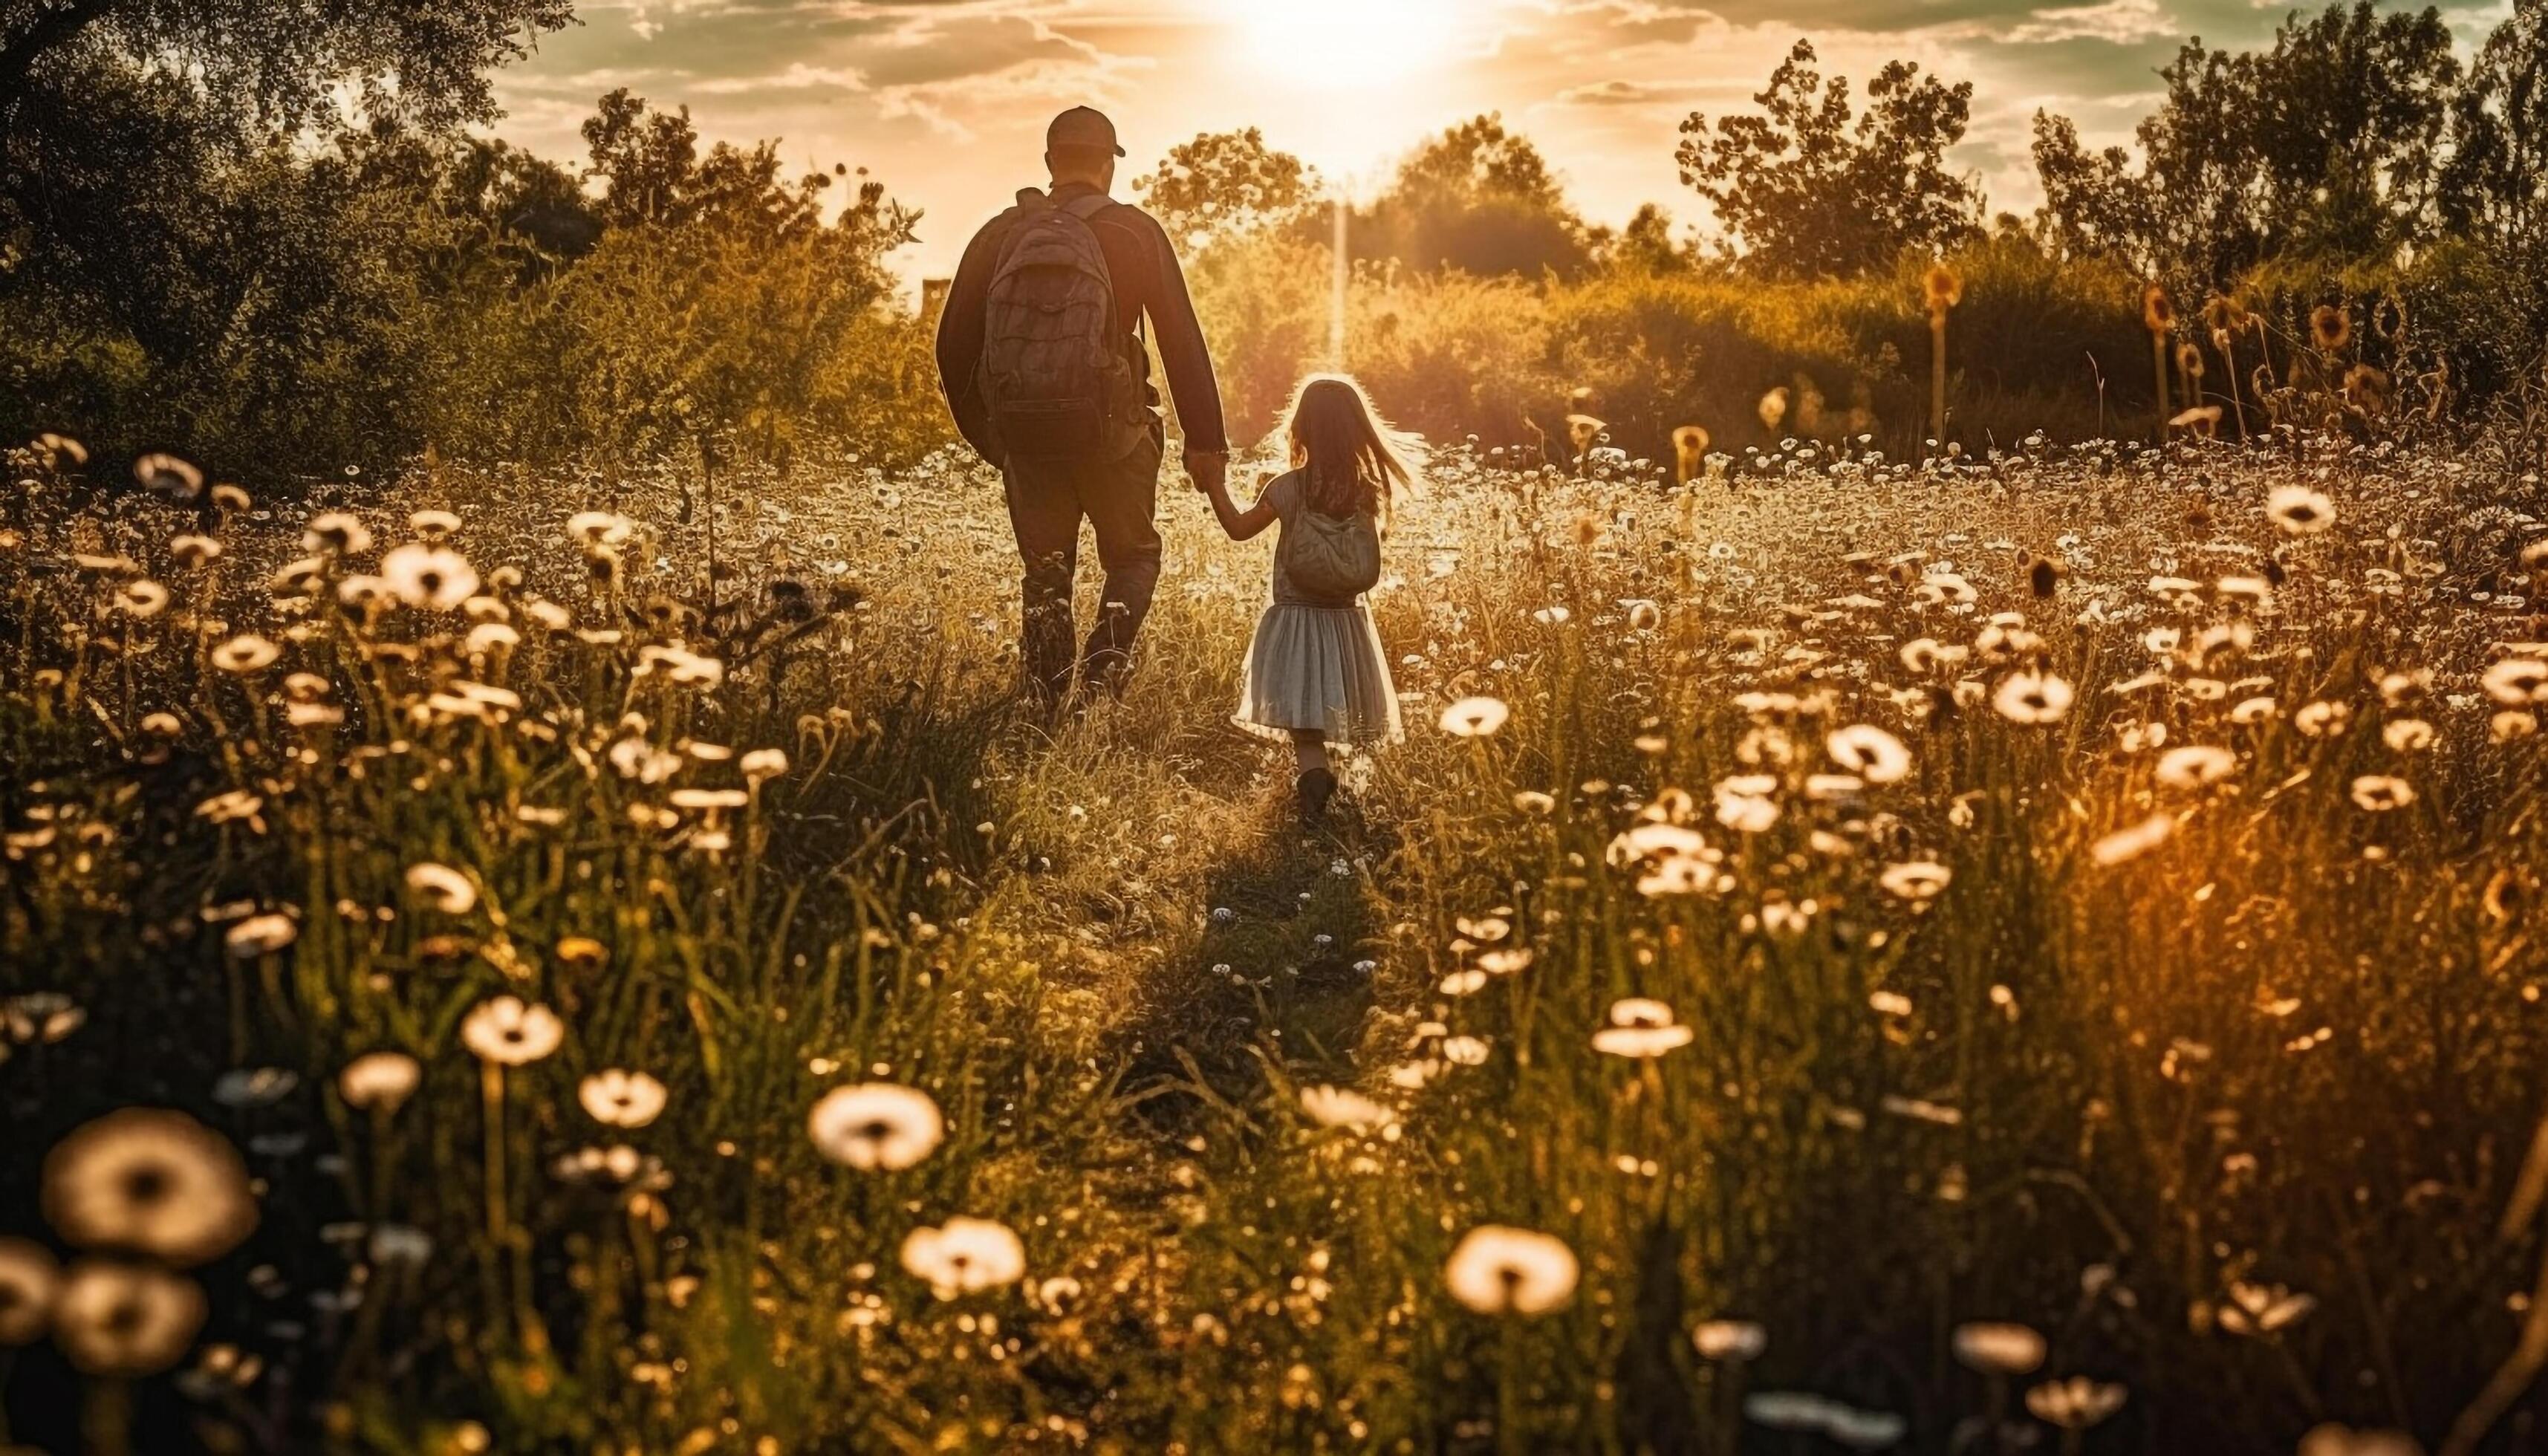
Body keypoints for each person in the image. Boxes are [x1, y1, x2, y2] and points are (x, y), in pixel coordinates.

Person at [935, 105, 1229, 709]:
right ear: (1108, 165)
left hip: (1027, 440)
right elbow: (1180, 338)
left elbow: (951, 348)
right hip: (1114, 438)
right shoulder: (1134, 232)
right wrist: (1206, 443)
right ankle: (1099, 684)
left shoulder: (999, 235)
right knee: (1134, 555)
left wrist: (994, 439)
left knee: (1046, 572)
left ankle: (1042, 701)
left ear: (1049, 163)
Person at [1198, 376, 1410, 822]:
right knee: (1343, 713)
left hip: (1296, 620)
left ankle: (1314, 778)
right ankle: (1348, 794)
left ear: (1302, 429)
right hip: (1346, 623)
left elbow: (1238, 529)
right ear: (1355, 432)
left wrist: (1215, 484)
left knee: (1305, 726)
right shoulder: (1365, 490)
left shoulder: (1288, 487)